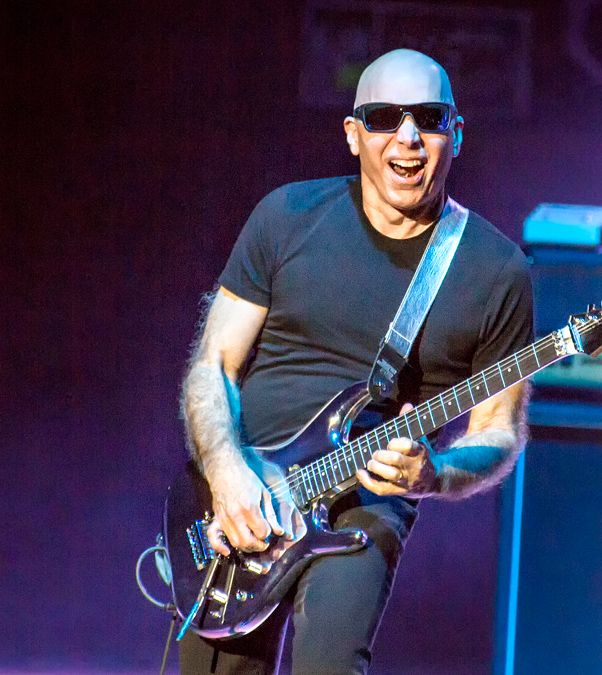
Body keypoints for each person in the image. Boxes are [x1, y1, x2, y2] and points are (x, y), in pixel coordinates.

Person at [178, 49, 533, 674]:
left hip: (365, 502)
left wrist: (436, 471)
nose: (407, 138)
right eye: (383, 118)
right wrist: (226, 472)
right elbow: (213, 364)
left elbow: (499, 430)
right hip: (243, 494)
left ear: (455, 134)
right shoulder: (286, 216)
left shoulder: (495, 270)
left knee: (331, 663)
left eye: (428, 118)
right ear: (352, 135)